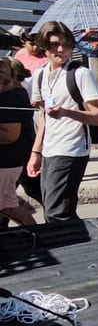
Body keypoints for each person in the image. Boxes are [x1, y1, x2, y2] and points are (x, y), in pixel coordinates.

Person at [27, 21, 98, 222]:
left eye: (65, 44)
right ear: (44, 46)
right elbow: (45, 116)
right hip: (49, 150)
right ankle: (85, 247)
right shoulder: (40, 75)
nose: (60, 49)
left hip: (73, 149)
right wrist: (36, 152)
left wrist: (66, 112)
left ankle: (70, 251)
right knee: (58, 211)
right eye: (54, 44)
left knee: (56, 214)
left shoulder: (80, 74)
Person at [0, 57, 36, 225]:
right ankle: (38, 237)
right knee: (8, 206)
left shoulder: (9, 97)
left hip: (6, 162)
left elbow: (9, 134)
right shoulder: (14, 94)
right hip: (12, 161)